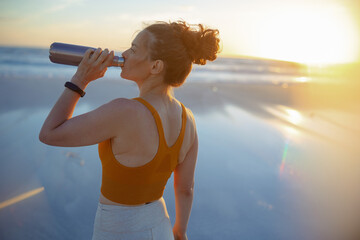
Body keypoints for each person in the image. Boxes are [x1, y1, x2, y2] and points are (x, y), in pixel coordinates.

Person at [39, 20, 220, 240]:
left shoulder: (124, 111)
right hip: (160, 224)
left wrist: (81, 78)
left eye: (133, 49)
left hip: (117, 228)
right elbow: (186, 188)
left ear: (155, 66)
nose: (124, 53)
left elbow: (49, 133)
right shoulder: (188, 119)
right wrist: (180, 231)